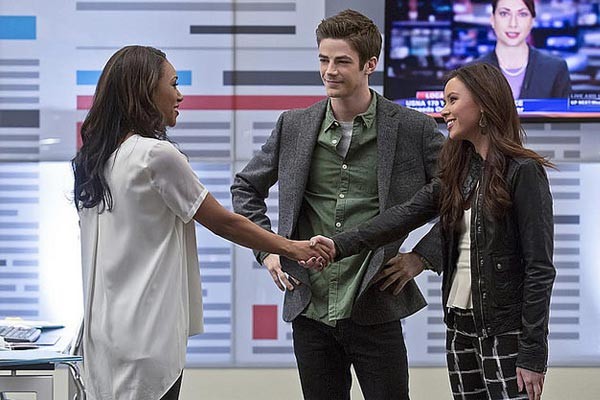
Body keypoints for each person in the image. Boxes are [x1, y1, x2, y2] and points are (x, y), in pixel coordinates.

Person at [72, 45, 333, 400]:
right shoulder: (155, 155)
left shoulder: (94, 160)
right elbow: (225, 222)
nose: (180, 95)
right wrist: (292, 248)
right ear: (145, 91)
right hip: (147, 339)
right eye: (173, 84)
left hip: (103, 339)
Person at [231, 9, 445, 400]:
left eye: (342, 61)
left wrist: (422, 257)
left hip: (374, 301)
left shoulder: (413, 128)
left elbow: (462, 195)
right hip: (309, 305)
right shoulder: (294, 125)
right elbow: (245, 186)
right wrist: (268, 250)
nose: (330, 71)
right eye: (323, 59)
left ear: (370, 64)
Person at [315, 63, 556, 400]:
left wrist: (533, 352)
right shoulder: (459, 172)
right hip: (460, 326)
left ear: (484, 104)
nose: (444, 111)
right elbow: (400, 217)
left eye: (453, 100)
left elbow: (539, 269)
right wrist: (335, 246)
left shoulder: (524, 172)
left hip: (505, 330)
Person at [475, 0, 571, 98]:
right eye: (504, 14)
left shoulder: (555, 69)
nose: (513, 24)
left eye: (522, 14)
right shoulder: (472, 72)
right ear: (492, 19)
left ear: (532, 21)